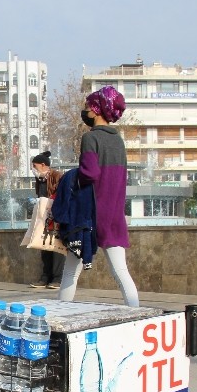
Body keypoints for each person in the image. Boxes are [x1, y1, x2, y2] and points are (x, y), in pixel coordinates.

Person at [57, 87, 139, 307]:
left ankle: (61, 316)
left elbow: (90, 173)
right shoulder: (119, 141)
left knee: (70, 273)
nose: (84, 111)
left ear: (96, 109)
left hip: (89, 217)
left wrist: (70, 178)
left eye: (87, 106)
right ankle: (137, 315)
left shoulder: (90, 138)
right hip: (113, 214)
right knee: (121, 273)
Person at [27, 151, 65, 290]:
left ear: (43, 165)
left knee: (56, 247)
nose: (33, 169)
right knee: (44, 246)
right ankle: (45, 277)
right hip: (44, 217)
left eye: (35, 166)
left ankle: (57, 278)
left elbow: (62, 193)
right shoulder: (40, 179)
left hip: (56, 217)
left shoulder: (57, 176)